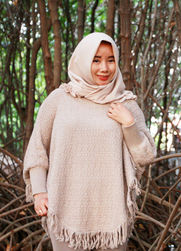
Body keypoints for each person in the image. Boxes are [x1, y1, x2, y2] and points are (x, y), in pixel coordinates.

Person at [23, 32, 156, 251]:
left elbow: (146, 156)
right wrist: (39, 191)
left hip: (111, 217)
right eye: (96, 60)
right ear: (83, 59)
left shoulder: (126, 103)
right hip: (65, 210)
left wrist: (129, 124)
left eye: (110, 60)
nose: (104, 68)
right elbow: (37, 147)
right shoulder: (60, 99)